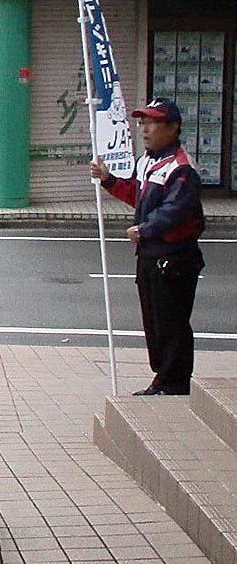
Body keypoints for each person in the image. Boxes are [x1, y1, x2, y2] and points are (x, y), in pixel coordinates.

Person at [90, 97, 205, 396]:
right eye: (142, 123)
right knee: (154, 322)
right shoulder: (147, 162)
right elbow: (137, 195)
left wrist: (144, 229)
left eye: (153, 123)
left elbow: (174, 210)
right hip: (149, 255)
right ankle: (162, 379)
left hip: (174, 258)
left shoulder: (181, 168)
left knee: (172, 323)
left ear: (173, 127)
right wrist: (109, 180)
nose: (144, 129)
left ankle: (175, 383)